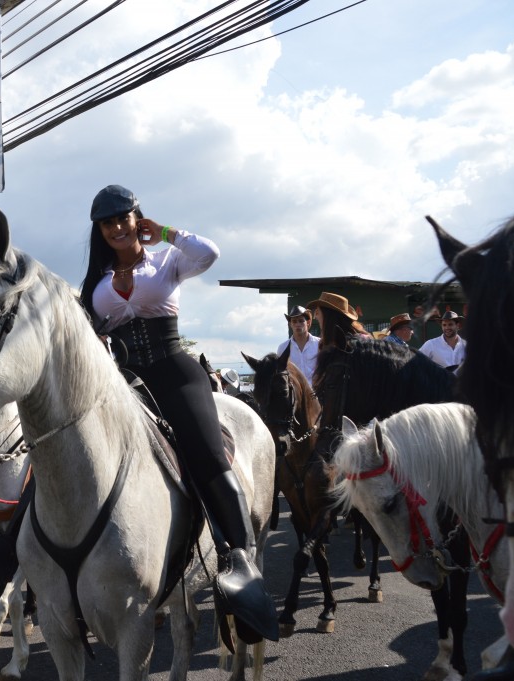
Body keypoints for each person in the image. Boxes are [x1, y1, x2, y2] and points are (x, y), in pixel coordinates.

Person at [79, 184, 278, 643]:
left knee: (207, 457)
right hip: (125, 381)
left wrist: (165, 231)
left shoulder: (167, 260)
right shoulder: (96, 279)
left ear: (136, 218)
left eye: (123, 218)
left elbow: (209, 253)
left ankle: (241, 563)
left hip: (175, 372)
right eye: (106, 223)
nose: (115, 227)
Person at [276, 305, 321, 386]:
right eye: (294, 321)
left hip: (316, 394)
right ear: (290, 324)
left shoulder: (319, 344)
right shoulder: (282, 348)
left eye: (301, 321)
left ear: (308, 323)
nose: (297, 324)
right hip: (294, 396)